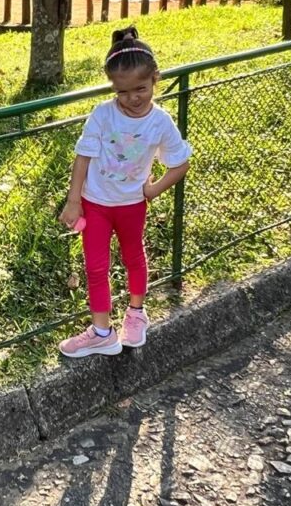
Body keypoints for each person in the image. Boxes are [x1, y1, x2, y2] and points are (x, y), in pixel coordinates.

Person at [58, 26, 192, 358]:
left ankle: (136, 313)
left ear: (155, 79)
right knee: (95, 266)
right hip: (96, 205)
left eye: (141, 89)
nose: (132, 98)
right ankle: (103, 332)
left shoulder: (160, 122)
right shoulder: (103, 115)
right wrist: (74, 202)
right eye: (122, 92)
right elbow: (83, 157)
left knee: (134, 257)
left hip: (132, 205)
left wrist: (152, 190)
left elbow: (180, 163)